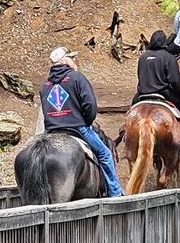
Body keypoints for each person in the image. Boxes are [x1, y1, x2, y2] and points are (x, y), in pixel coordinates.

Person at [39, 47, 122, 197]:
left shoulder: (45, 85)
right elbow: (90, 104)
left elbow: (45, 109)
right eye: (72, 57)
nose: (74, 60)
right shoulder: (76, 77)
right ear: (64, 60)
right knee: (105, 154)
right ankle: (115, 194)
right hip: (77, 128)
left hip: (52, 130)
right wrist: (87, 122)